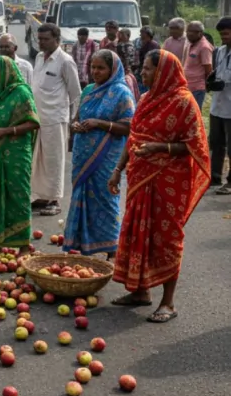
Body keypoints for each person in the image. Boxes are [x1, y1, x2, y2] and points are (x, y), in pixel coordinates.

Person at [109, 49, 210, 323]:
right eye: (143, 67)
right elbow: (133, 137)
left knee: (166, 237)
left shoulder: (184, 102)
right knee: (137, 231)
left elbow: (195, 146)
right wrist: (117, 170)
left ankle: (168, 302)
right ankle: (140, 291)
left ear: (163, 71)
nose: (142, 72)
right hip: (140, 177)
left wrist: (159, 148)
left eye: (148, 68)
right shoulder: (145, 98)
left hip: (170, 180)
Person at [63, 50, 135, 259]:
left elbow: (130, 126)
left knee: (105, 199)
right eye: (93, 67)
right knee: (83, 197)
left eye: (101, 68)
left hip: (106, 157)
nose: (95, 72)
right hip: (83, 156)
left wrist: (99, 124)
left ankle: (112, 249)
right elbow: (77, 117)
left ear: (112, 69)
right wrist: (75, 126)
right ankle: (84, 245)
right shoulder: (88, 90)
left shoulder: (121, 92)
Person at [0, 56, 40, 254]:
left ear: (5, 72)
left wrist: (6, 132)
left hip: (16, 153)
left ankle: (23, 244)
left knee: (18, 194)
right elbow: (0, 118)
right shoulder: (1, 92)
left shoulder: (22, 92)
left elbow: (33, 122)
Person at [31, 23, 82, 216]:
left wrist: (74, 120)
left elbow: (76, 94)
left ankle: (55, 200)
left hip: (55, 119)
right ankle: (43, 196)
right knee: (39, 160)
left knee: (54, 160)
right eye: (40, 39)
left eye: (46, 39)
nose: (41, 42)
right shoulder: (39, 57)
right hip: (37, 118)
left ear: (57, 39)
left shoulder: (65, 61)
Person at [209, 17, 231, 194]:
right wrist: (211, 81)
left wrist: (224, 83)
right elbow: (217, 72)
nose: (223, 37)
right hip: (217, 105)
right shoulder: (219, 51)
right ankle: (214, 176)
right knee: (216, 143)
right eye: (221, 34)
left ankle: (230, 182)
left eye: (226, 34)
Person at [0, 33, 33, 98]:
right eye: (1, 47)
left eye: (7, 47)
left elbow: (29, 90)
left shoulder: (26, 66)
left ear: (15, 48)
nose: (3, 49)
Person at [182, 20, 214, 109]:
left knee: (194, 112)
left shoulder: (204, 47)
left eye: (192, 32)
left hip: (197, 88)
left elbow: (208, 69)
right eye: (188, 31)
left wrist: (206, 85)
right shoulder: (191, 44)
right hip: (188, 85)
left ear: (200, 33)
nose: (189, 34)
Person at [115, 29, 141, 101]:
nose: (120, 36)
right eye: (119, 34)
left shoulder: (128, 46)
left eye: (122, 34)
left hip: (127, 71)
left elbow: (129, 60)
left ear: (128, 36)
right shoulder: (119, 44)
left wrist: (127, 69)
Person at [136, 27, 160, 93]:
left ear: (148, 34)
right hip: (142, 71)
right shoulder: (142, 43)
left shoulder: (153, 45)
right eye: (141, 33)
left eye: (142, 33)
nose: (141, 35)